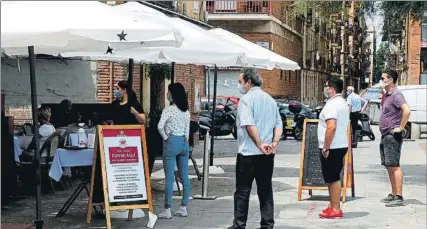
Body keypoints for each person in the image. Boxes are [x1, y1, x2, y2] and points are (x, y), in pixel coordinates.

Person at [228, 68, 282, 229]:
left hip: (249, 153)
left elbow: (249, 125)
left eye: (240, 81)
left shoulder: (246, 100)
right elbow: (278, 124)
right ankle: (267, 224)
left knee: (243, 191)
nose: (239, 85)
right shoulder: (270, 99)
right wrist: (274, 142)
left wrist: (259, 144)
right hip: (267, 154)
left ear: (248, 82)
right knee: (265, 189)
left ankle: (239, 224)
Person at [157, 83, 191, 219]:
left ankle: (167, 209)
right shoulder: (186, 111)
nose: (167, 94)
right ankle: (183, 207)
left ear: (173, 94)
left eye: (169, 92)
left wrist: (166, 137)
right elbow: (187, 130)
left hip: (171, 142)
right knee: (185, 177)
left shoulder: (168, 110)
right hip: (184, 143)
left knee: (169, 178)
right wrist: (186, 140)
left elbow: (160, 126)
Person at [317, 77, 349, 219]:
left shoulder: (331, 105)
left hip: (333, 146)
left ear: (332, 89)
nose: (324, 89)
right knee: (332, 176)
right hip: (340, 144)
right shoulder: (342, 103)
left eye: (326, 86)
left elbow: (331, 127)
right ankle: (333, 204)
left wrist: (326, 147)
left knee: (333, 177)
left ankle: (335, 208)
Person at [378, 69, 410, 207]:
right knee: (389, 165)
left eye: (383, 78)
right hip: (385, 135)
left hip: (392, 135)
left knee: (394, 165)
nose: (381, 80)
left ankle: (399, 196)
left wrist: (400, 127)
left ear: (390, 80)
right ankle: (393, 193)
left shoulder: (396, 95)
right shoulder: (387, 94)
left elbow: (406, 111)